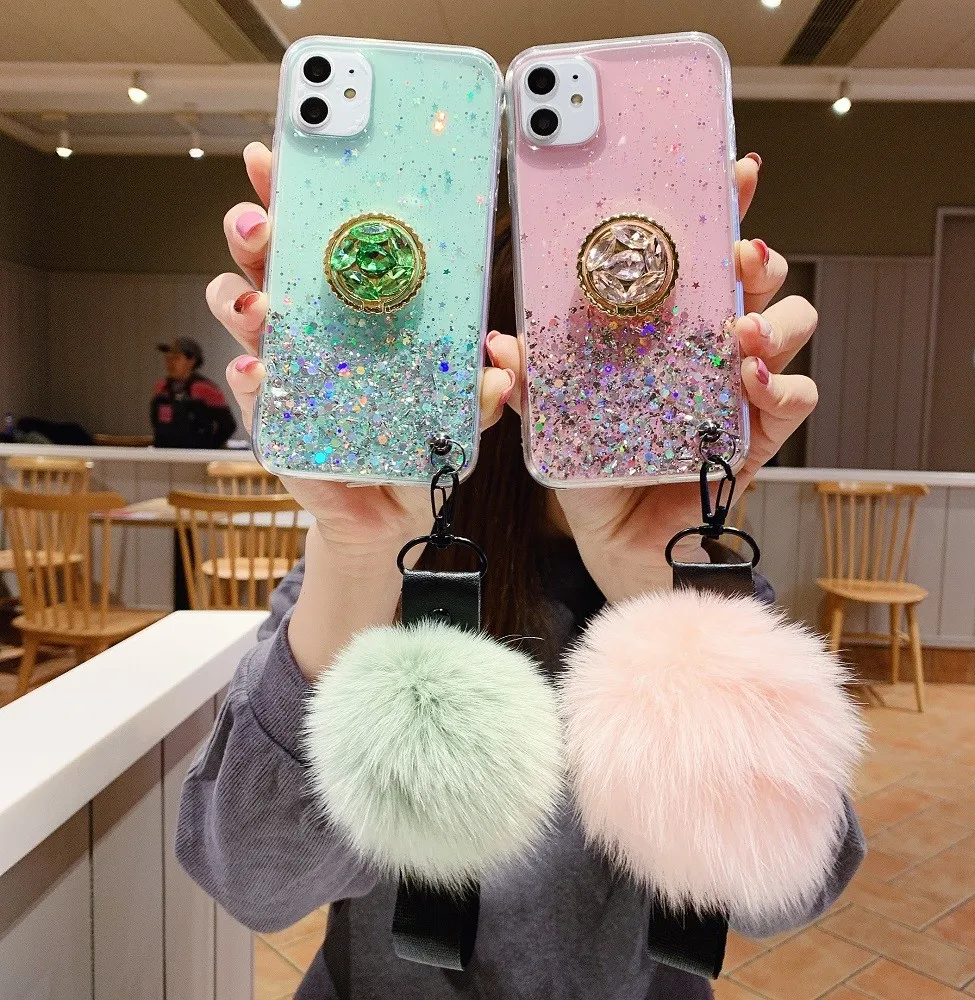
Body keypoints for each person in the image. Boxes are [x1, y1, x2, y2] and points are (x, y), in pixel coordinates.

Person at [176, 143, 864, 1000]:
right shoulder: (380, 575)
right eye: (590, 343)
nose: (618, 377)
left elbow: (789, 892)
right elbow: (254, 883)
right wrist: (354, 561)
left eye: (652, 328)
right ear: (487, 367)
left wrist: (652, 579)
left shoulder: (691, 588)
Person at [150, 337, 236, 448]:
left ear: (191, 361)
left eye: (176, 358)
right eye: (168, 358)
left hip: (195, 454)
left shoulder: (205, 389)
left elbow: (228, 425)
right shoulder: (162, 387)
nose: (170, 363)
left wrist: (209, 447)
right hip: (163, 452)